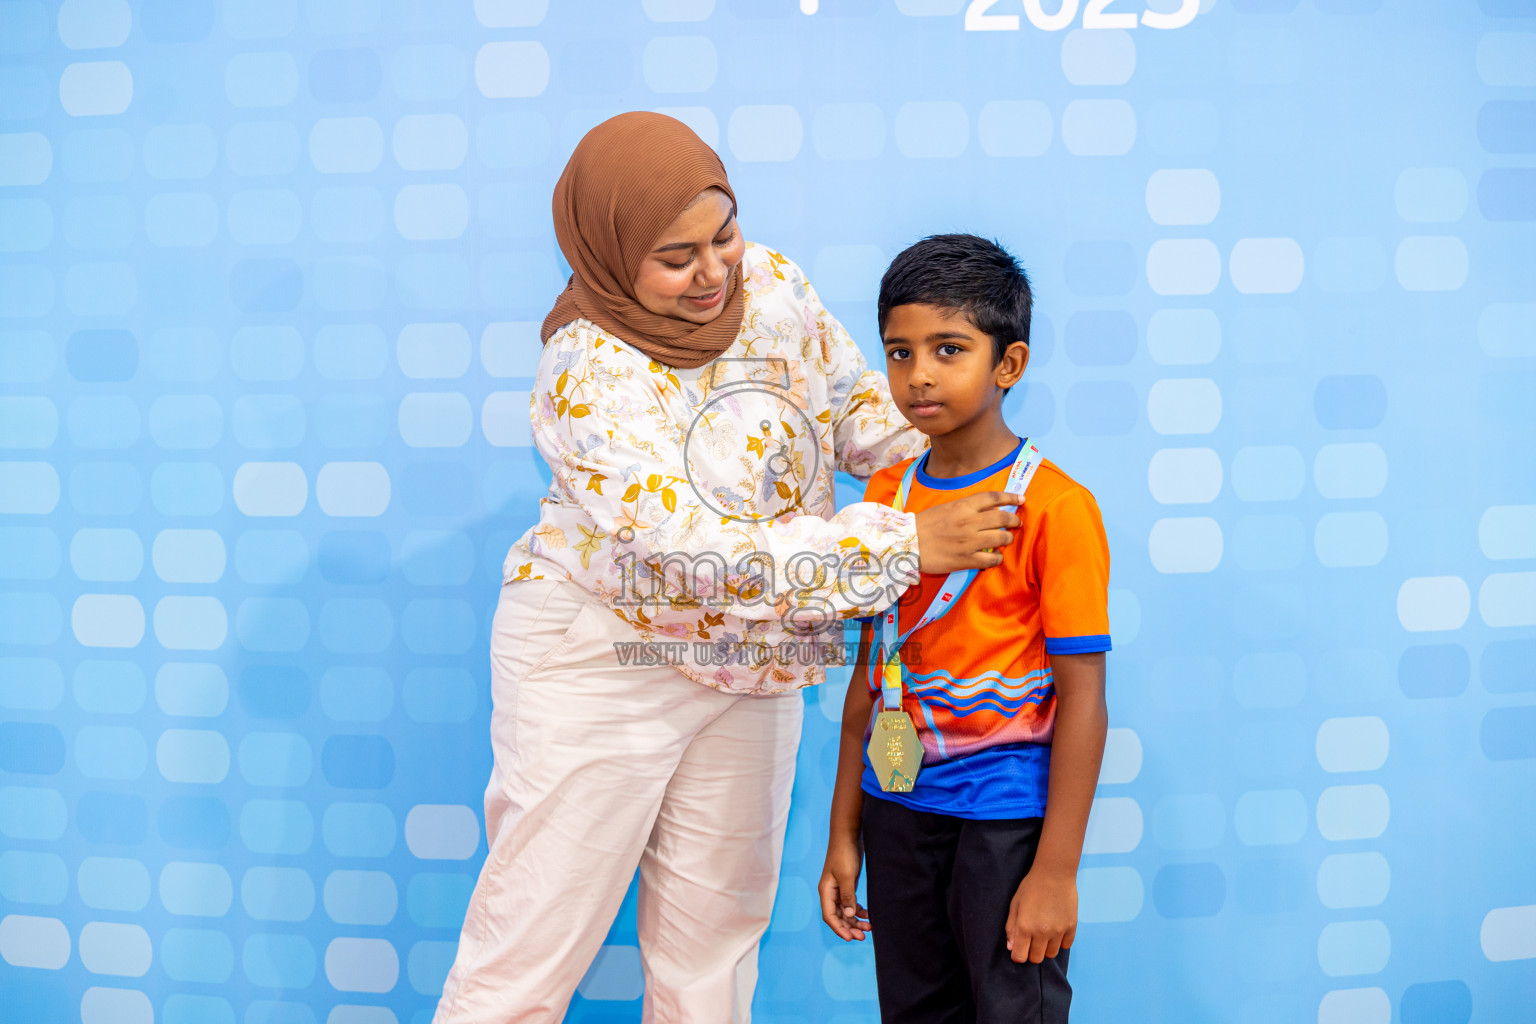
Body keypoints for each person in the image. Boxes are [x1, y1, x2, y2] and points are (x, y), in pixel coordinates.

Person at [433, 116, 1027, 1023]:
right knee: (528, 949)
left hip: (756, 667)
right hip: (603, 662)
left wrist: (980, 470)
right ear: (611, 250)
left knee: (716, 955)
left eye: (724, 235)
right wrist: (907, 544)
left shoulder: (774, 286)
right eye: (676, 257)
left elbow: (864, 414)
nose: (714, 272)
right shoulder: (585, 369)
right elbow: (695, 553)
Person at [818, 234, 1112, 1023]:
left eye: (949, 349)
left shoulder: (1058, 508)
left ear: (1007, 364)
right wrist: (845, 832)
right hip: (897, 804)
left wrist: (1056, 871)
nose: (918, 374)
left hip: (1004, 826)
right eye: (899, 351)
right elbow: (870, 673)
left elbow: (1085, 698)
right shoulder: (884, 494)